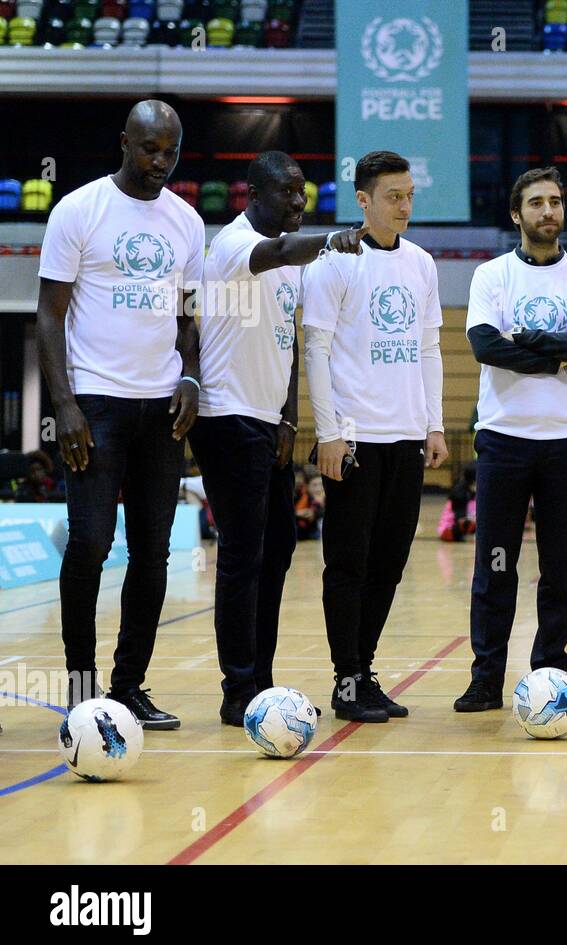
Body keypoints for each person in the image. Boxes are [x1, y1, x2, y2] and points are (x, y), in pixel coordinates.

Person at [36, 100, 206, 727]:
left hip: (162, 408)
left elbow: (190, 314)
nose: (161, 162)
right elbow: (49, 313)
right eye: (150, 149)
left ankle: (128, 685)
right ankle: (83, 691)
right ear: (125, 143)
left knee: (152, 552)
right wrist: (66, 405)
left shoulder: (187, 221)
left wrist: (189, 374)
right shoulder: (79, 210)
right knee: (87, 544)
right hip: (96, 405)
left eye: (172, 151)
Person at [189, 149, 368, 726]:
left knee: (279, 548)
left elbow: (288, 346)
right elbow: (282, 250)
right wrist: (333, 240)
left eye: (304, 194)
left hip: (266, 421)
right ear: (254, 195)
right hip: (226, 415)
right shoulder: (236, 246)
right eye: (289, 193)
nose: (299, 201)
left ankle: (259, 681)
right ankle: (237, 689)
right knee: (243, 554)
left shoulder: (287, 262)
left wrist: (290, 419)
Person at [453, 166, 567, 712]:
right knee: (495, 564)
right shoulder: (491, 276)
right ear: (516, 214)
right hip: (503, 439)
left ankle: (550, 676)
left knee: (558, 569)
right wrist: (555, 353)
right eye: (538, 203)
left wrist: (532, 340)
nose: (550, 212)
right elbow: (485, 347)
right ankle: (486, 678)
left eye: (557, 201)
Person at [302, 150, 448, 723]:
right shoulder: (334, 262)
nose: (405, 205)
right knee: (349, 562)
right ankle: (345, 679)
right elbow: (315, 349)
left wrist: (433, 423)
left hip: (407, 436)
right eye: (393, 196)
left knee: (388, 563)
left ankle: (364, 670)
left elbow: (430, 348)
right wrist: (330, 433)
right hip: (356, 437)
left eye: (410, 194)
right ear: (363, 200)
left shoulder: (421, 263)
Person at [439, 463, 477, 542]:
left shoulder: (474, 493)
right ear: (473, 482)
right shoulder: (459, 494)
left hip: (465, 526)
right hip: (449, 530)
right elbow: (460, 518)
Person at [294, 470, 324, 540]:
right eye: (314, 485)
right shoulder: (301, 498)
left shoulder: (327, 498)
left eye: (321, 484)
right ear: (307, 486)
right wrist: (297, 514)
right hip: (305, 536)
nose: (318, 488)